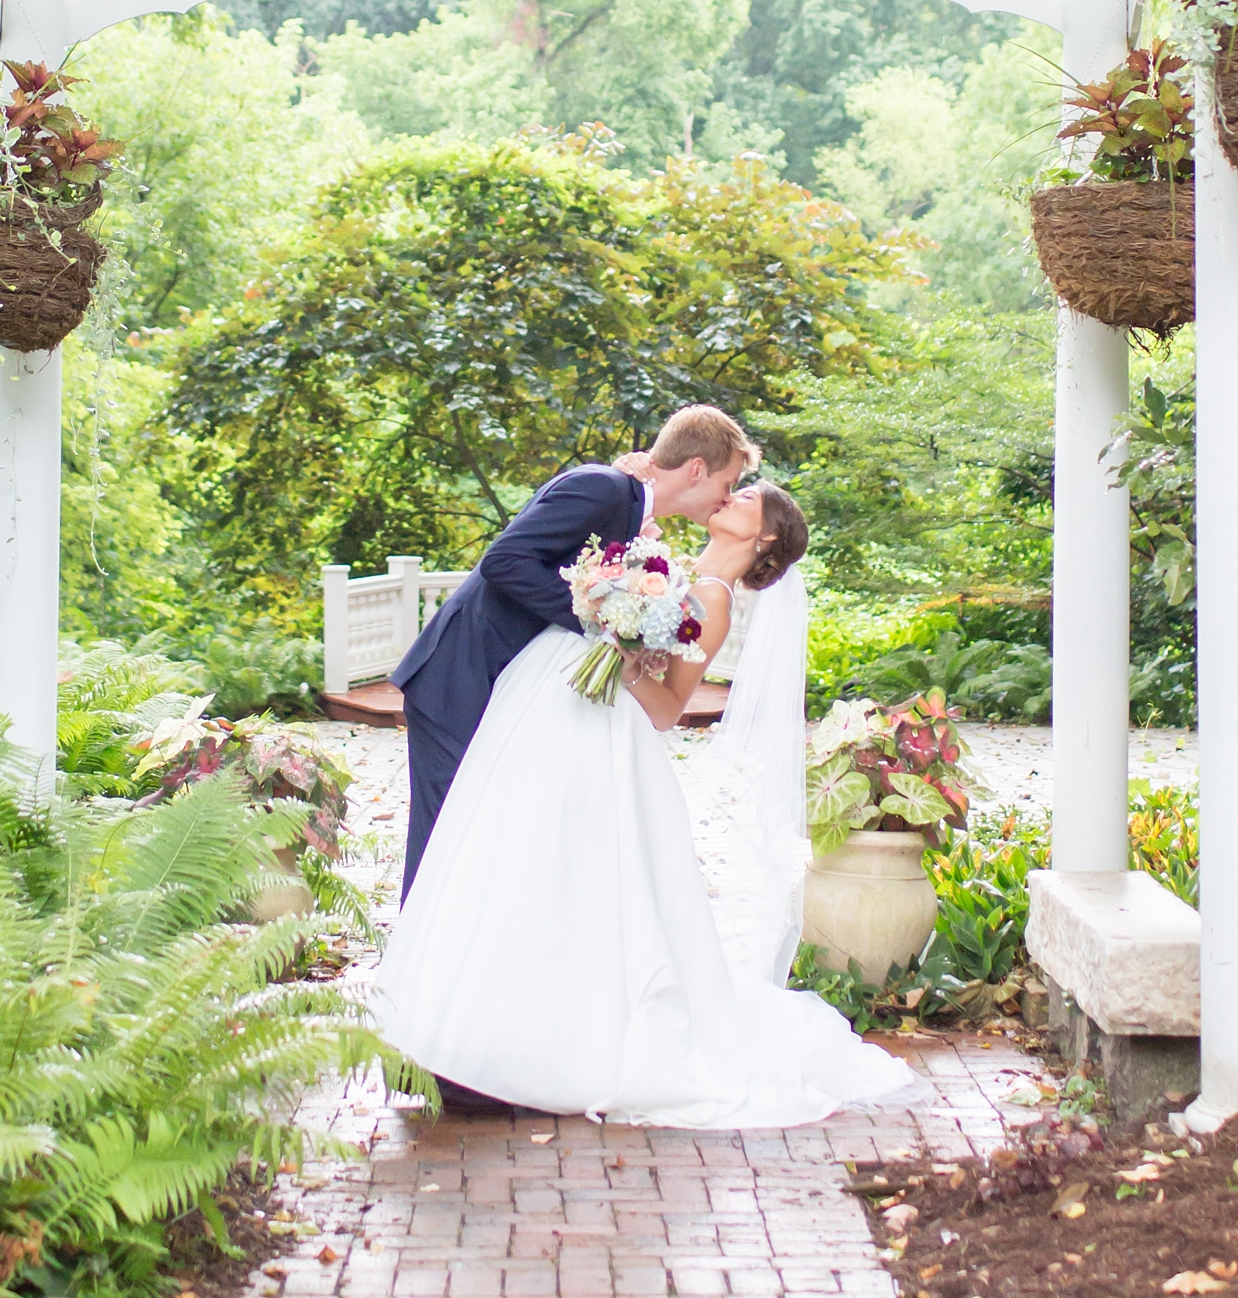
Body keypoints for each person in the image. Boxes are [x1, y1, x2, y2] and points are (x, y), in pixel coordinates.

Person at [369, 478, 916, 1128]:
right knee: (526, 862)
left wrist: (620, 654)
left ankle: (541, 1038)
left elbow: (666, 708)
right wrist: (611, 618)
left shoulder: (712, 599)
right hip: (559, 713)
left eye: (748, 499)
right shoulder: (679, 569)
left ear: (765, 536)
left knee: (569, 876)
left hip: (604, 736)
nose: (731, 497)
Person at [390, 402, 755, 898]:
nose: (725, 497)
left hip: (503, 687)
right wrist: (601, 618)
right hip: (459, 677)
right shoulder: (603, 489)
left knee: (477, 835)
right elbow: (505, 561)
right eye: (727, 483)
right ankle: (417, 969)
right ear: (696, 469)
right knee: (444, 838)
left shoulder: (628, 512)